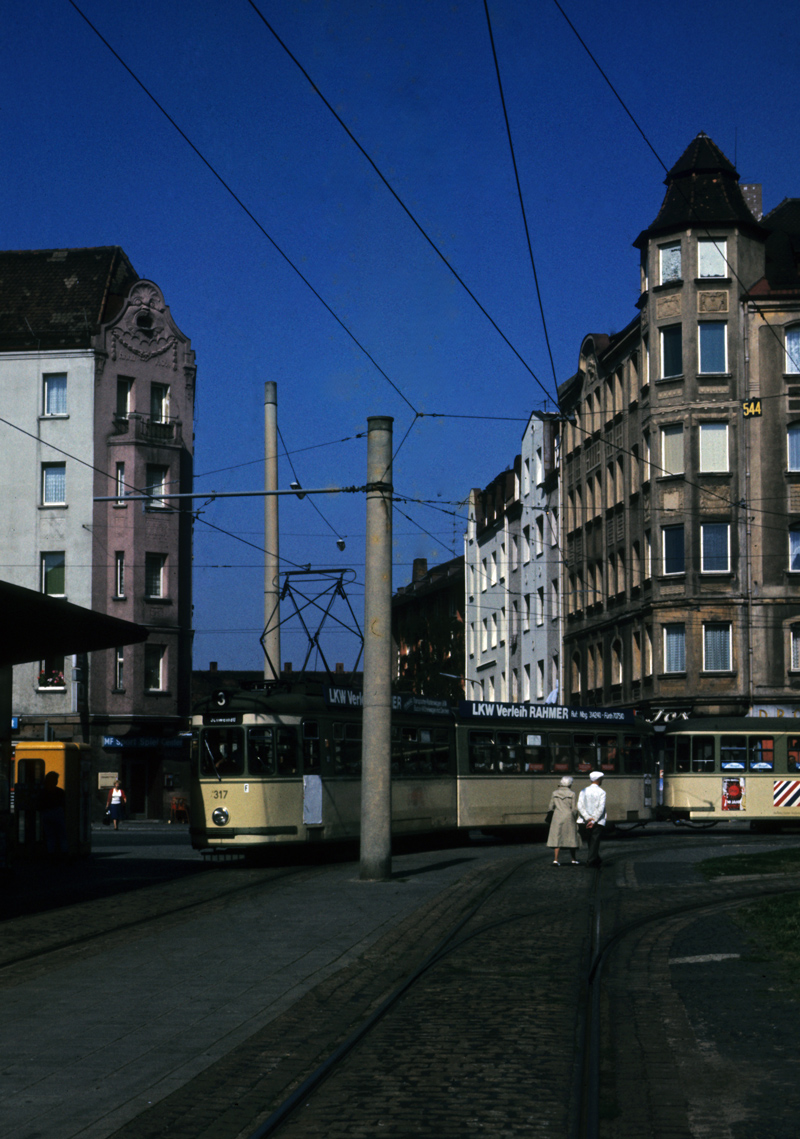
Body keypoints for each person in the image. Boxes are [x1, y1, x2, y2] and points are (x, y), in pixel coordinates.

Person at [546, 775, 581, 865]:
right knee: (571, 837)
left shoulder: (554, 793)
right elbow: (574, 808)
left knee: (557, 838)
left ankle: (556, 860)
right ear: (570, 784)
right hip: (569, 817)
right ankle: (573, 859)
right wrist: (575, 817)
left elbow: (551, 807)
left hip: (557, 816)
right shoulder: (572, 794)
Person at [577, 771, 607, 867]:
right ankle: (591, 860)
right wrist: (593, 820)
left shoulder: (583, 791)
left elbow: (580, 806)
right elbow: (600, 808)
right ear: (599, 780)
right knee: (595, 840)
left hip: (583, 820)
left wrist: (587, 817)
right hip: (597, 821)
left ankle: (596, 858)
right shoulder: (602, 792)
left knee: (590, 840)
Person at [39, 770, 68, 856]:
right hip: (58, 813)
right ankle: (63, 853)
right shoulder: (60, 792)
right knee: (62, 835)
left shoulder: (43, 792)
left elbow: (40, 804)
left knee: (50, 836)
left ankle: (51, 853)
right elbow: (64, 804)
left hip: (47, 814)